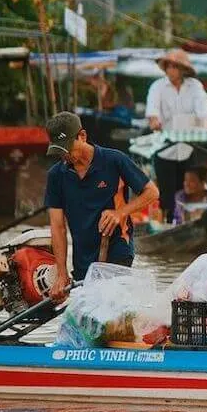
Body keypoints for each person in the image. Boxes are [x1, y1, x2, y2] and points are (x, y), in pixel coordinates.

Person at [43, 111, 160, 302]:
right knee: (90, 311)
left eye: (67, 148)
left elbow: (152, 192)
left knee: (112, 304)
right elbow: (57, 227)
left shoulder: (114, 160)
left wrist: (120, 213)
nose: (64, 155)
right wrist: (62, 273)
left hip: (117, 246)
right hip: (83, 257)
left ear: (82, 136)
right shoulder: (56, 176)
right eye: (59, 151)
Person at [145, 48, 207, 222]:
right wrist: (154, 121)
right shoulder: (157, 87)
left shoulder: (195, 87)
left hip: (188, 147)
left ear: (183, 70)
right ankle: (169, 222)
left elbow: (204, 112)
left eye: (174, 67)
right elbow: (152, 113)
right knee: (167, 194)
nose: (171, 70)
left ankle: (190, 220)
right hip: (165, 148)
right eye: (168, 66)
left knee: (189, 189)